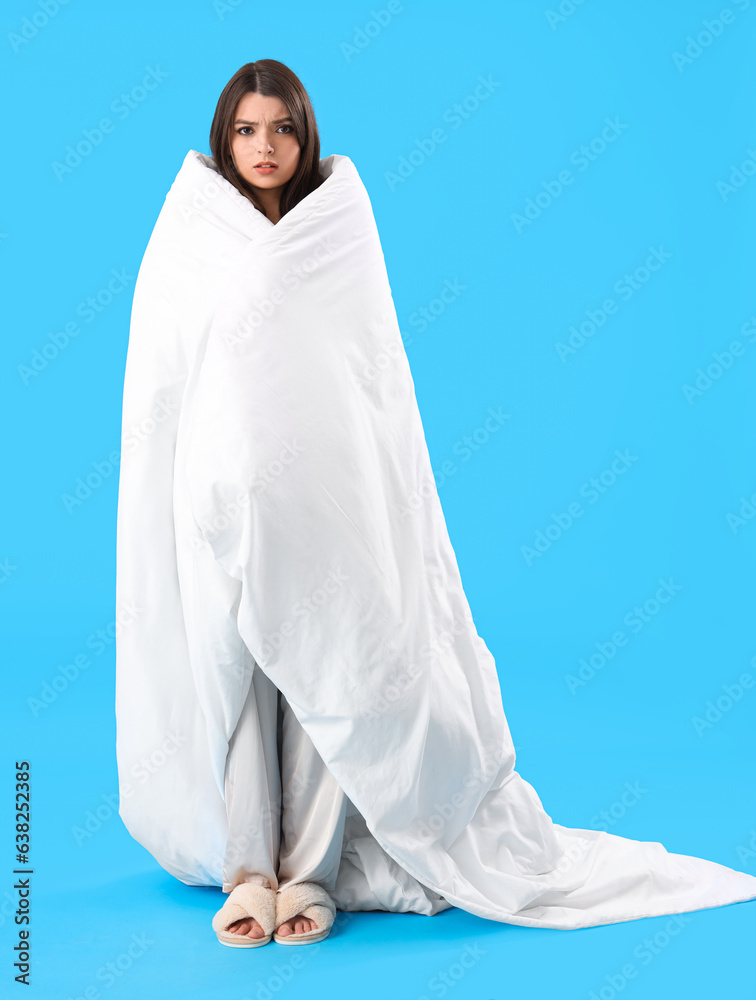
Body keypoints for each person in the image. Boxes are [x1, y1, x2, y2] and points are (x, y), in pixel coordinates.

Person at [115, 59, 756, 950]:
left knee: (328, 681)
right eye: (247, 130)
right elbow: (165, 378)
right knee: (240, 684)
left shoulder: (336, 228)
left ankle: (306, 875)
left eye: (283, 128)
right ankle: (247, 871)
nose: (265, 146)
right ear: (225, 138)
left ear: (307, 137)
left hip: (325, 498)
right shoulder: (191, 234)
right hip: (221, 500)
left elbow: (369, 378)